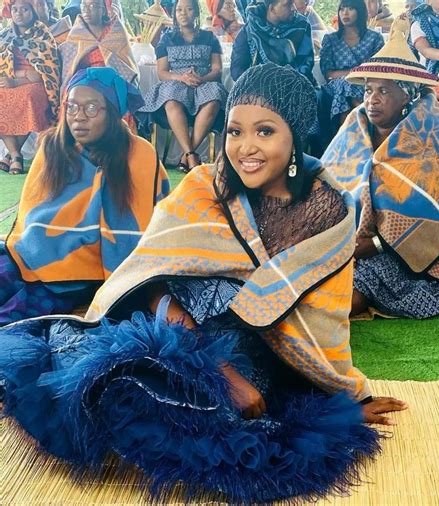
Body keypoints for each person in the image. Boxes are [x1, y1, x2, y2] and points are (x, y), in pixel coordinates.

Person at [0, 63, 406, 503]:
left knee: (244, 432)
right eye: (234, 131)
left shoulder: (330, 213)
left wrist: (345, 392)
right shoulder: (202, 186)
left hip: (261, 352)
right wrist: (222, 372)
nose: (245, 148)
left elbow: (322, 318)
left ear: (296, 136)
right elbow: (152, 282)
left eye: (265, 132)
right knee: (115, 383)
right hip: (176, 333)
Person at [322, 20, 439, 319]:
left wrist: (377, 243)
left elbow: (438, 202)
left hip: (414, 248)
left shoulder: (432, 126)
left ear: (406, 95)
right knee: (313, 283)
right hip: (349, 240)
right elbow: (332, 178)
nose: (371, 99)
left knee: (348, 301)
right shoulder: (357, 122)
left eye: (383, 91)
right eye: (367, 90)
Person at [0, 67, 170, 325]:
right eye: (72, 107)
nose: (78, 117)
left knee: (13, 314)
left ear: (113, 113)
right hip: (41, 253)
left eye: (91, 108)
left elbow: (154, 224)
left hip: (84, 273)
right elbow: (32, 214)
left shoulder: (140, 155)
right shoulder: (52, 146)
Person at [139, 0, 228, 172]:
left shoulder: (209, 37)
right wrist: (180, 77)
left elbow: (217, 69)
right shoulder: (167, 39)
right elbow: (162, 72)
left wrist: (201, 78)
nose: (183, 13)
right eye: (179, 9)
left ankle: (186, 155)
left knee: (216, 95)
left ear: (195, 12)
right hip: (177, 80)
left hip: (203, 80)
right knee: (171, 97)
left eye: (188, 9)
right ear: (174, 14)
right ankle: (191, 155)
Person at [0, 0, 60, 175]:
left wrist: (18, 80)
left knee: (29, 97)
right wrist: (16, 77)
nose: (19, 13)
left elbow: (43, 73)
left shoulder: (43, 35)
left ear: (33, 11)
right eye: (15, 9)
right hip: (9, 81)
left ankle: (12, 156)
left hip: (37, 85)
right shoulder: (4, 36)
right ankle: (15, 155)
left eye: (24, 9)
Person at [320, 0, 384, 131]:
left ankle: (346, 136)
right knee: (346, 84)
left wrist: (356, 75)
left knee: (351, 86)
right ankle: (364, 128)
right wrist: (354, 73)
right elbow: (328, 74)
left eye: (350, 8)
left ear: (360, 11)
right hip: (335, 86)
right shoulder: (330, 39)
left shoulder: (375, 38)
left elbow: (377, 70)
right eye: (342, 9)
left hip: (366, 84)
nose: (345, 13)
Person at [60, 0, 138, 90]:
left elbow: (126, 65)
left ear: (103, 10)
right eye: (84, 5)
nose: (87, 10)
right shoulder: (76, 34)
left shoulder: (116, 32)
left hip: (111, 81)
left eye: (92, 5)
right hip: (82, 82)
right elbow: (69, 66)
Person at [230, 0, 315, 83]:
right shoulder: (251, 29)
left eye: (293, 2)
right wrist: (260, 85)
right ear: (272, 9)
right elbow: (237, 70)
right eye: (288, 4)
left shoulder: (302, 26)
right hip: (258, 88)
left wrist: (280, 85)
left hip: (296, 87)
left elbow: (305, 67)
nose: (294, 8)